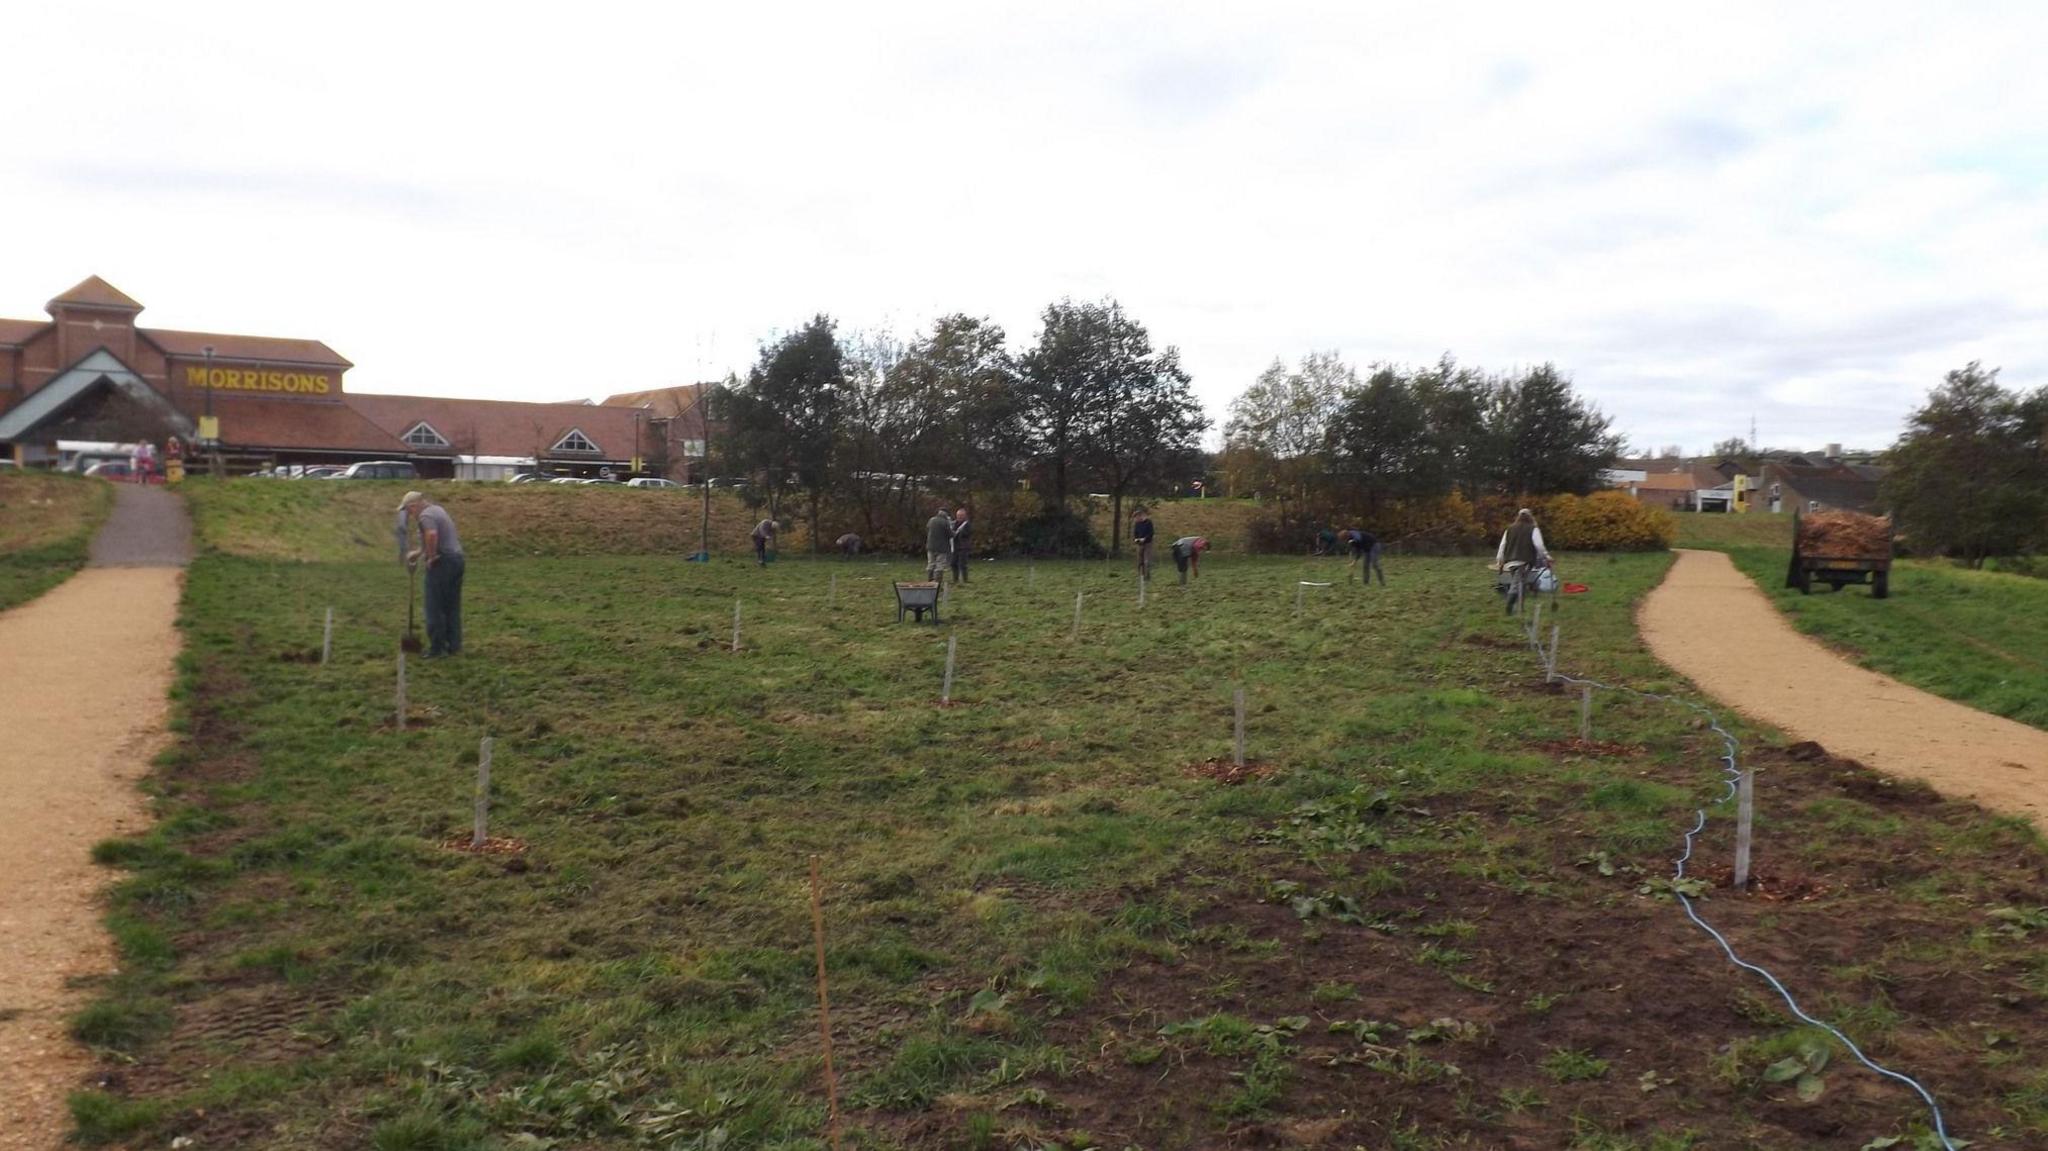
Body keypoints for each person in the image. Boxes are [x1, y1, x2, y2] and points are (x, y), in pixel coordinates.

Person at [400, 491, 466, 658]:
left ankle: (437, 649)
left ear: (413, 506)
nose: (409, 514)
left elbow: (432, 535)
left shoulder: (425, 516)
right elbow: (436, 538)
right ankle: (454, 646)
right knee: (451, 606)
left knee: (434, 607)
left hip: (442, 563)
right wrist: (417, 553)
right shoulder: (437, 510)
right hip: (456, 560)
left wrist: (431, 556)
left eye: (408, 510)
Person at [1493, 507, 1550, 615]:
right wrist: (1546, 557)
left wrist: (1499, 561)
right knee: (1517, 584)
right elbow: (1539, 545)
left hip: (1510, 562)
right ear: (1530, 517)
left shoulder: (1509, 529)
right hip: (1524, 561)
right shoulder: (1533, 528)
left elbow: (1502, 546)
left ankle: (1520, 609)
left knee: (1521, 584)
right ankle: (1509, 607)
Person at [924, 505, 955, 583]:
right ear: (946, 514)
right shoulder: (945, 522)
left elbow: (928, 529)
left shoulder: (931, 520)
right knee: (940, 565)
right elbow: (951, 534)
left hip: (930, 546)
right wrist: (954, 532)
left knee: (931, 564)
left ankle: (929, 580)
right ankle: (937, 582)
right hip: (942, 548)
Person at [949, 507, 972, 583]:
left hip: (963, 547)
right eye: (958, 515)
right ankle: (955, 579)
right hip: (955, 547)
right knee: (953, 563)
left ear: (964, 516)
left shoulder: (967, 524)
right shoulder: (954, 523)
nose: (959, 517)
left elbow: (967, 534)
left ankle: (965, 580)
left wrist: (960, 532)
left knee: (962, 564)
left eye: (961, 515)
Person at [1132, 508, 1155, 579]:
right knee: (1139, 560)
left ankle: (1147, 576)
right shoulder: (1137, 523)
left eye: (1137, 517)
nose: (1136, 519)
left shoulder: (1148, 522)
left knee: (1146, 560)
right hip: (1139, 544)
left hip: (1148, 543)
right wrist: (1136, 539)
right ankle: (1140, 575)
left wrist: (1145, 538)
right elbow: (1135, 533)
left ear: (1140, 516)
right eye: (1135, 518)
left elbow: (1151, 533)